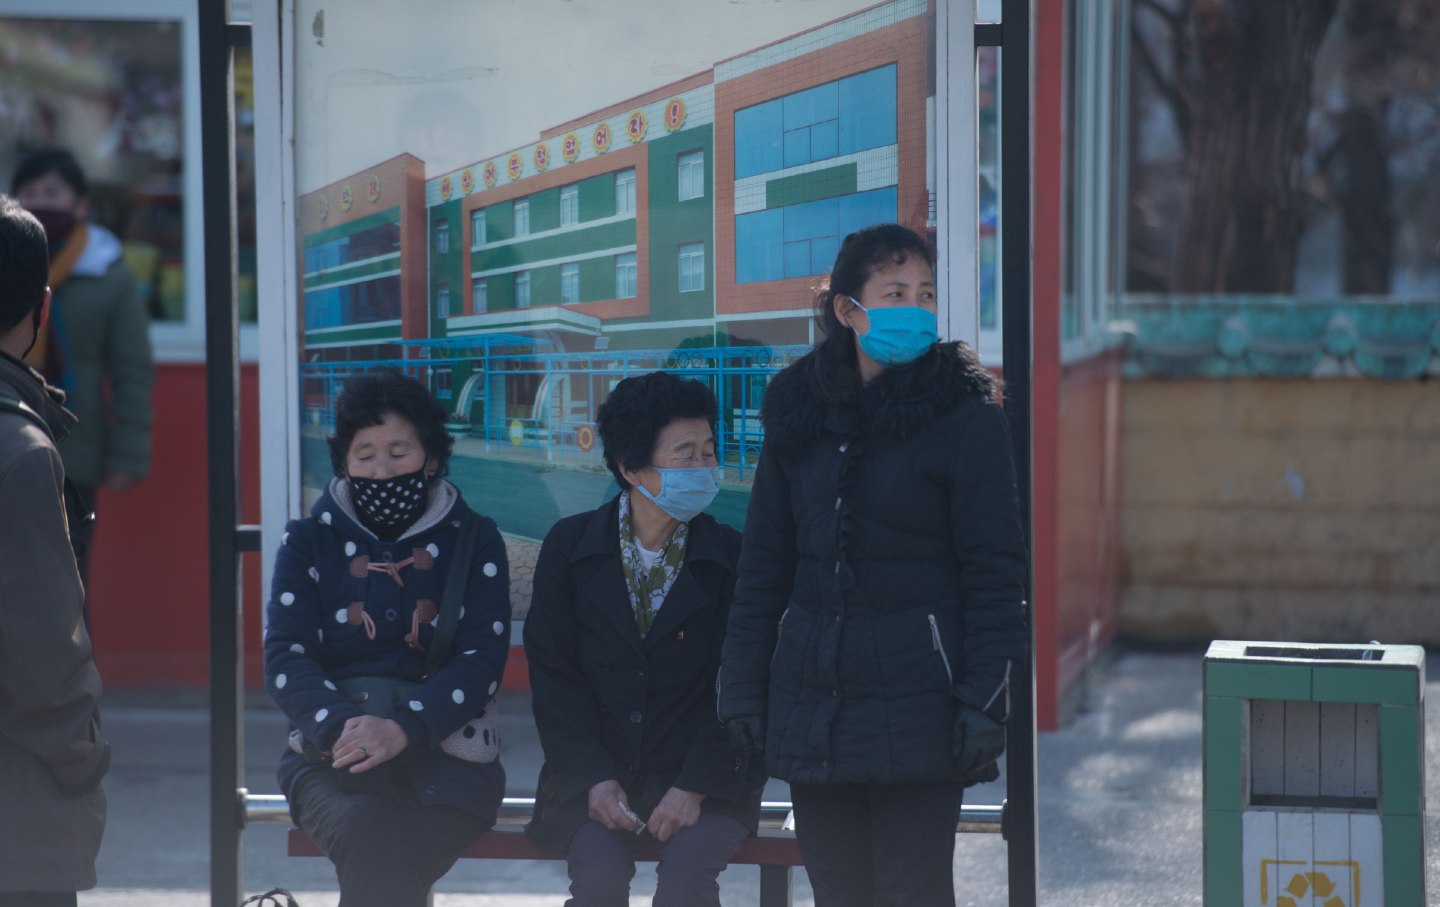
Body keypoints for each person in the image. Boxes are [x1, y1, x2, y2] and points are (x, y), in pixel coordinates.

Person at [717, 223, 1028, 907]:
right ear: (847, 310)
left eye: (924, 294)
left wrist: (985, 701)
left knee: (912, 893)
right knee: (841, 896)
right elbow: (763, 568)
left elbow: (996, 574)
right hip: (814, 707)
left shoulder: (966, 417)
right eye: (894, 293)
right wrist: (740, 689)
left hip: (924, 713)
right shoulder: (798, 418)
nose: (913, 308)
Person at [264, 371, 511, 907]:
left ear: (432, 459)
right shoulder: (308, 540)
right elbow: (287, 656)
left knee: (396, 848)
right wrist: (344, 730)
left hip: (451, 758)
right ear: (343, 463)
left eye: (399, 453)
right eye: (365, 454)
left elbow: (482, 658)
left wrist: (406, 727)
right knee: (366, 829)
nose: (380, 470)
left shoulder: (476, 538)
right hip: (332, 757)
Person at [525, 371, 766, 907]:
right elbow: (556, 679)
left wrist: (694, 786)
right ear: (631, 469)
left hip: (707, 783)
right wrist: (594, 779)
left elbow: (743, 681)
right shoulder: (569, 547)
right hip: (594, 780)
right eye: (686, 454)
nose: (705, 467)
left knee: (684, 885)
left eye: (709, 450)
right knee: (599, 881)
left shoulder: (731, 554)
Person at [0, 194, 111, 906]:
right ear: (42, 305)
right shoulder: (20, 451)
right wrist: (84, 758)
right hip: (19, 816)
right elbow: (45, 652)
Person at [11, 146, 155, 599]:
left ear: (80, 205)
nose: (40, 201)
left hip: (76, 451)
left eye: (52, 191)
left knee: (67, 581)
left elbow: (132, 370)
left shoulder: (108, 274)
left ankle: (69, 670)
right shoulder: (7, 261)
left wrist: (129, 455)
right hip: (5, 434)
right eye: (29, 191)